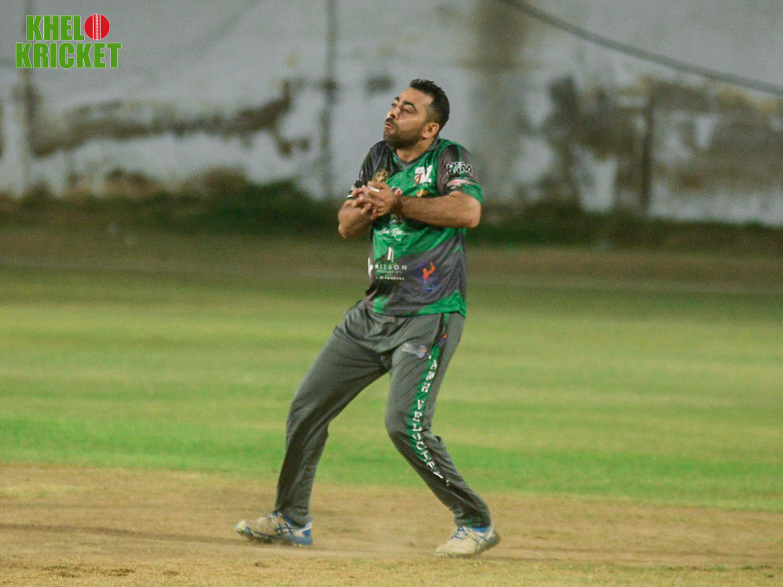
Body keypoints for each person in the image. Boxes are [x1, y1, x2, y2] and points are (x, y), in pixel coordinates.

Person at [236, 79, 499, 557]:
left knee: (404, 425)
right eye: (395, 104)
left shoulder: (449, 158)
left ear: (430, 128)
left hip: (428, 313)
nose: (394, 112)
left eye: (408, 109)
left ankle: (475, 521)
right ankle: (292, 519)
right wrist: (370, 205)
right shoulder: (379, 157)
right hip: (373, 312)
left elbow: (468, 211)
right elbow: (345, 224)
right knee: (307, 408)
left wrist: (397, 202)